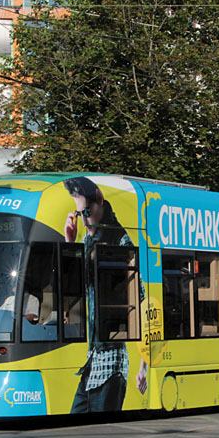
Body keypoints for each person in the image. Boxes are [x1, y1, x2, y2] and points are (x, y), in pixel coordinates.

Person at [63, 177, 148, 413]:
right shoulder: (88, 240)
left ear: (100, 201)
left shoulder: (119, 242)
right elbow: (75, 288)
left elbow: (140, 304)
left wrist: (144, 366)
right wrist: (70, 243)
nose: (85, 219)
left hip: (112, 363)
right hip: (92, 360)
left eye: (87, 211)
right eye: (80, 214)